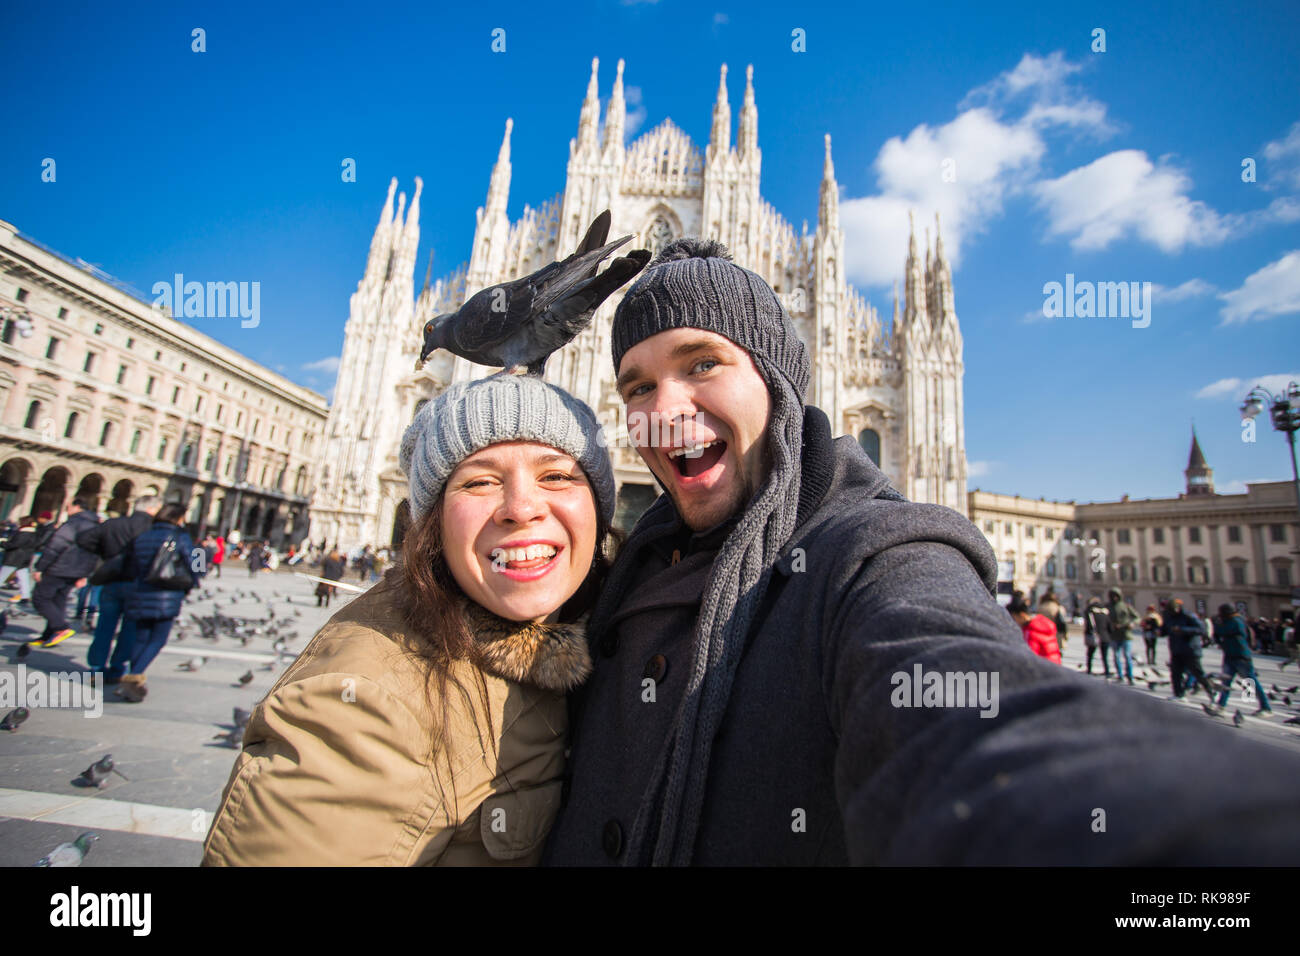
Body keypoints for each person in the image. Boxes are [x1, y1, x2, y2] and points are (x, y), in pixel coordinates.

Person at [542, 237, 1300, 866]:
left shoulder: (871, 553)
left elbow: (957, 689)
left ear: (777, 382)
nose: (663, 410)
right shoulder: (611, 576)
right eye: (636, 386)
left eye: (703, 363)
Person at [203, 372, 616, 865]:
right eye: (480, 480)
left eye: (557, 475)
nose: (521, 507)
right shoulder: (361, 707)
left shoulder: (597, 640)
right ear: (433, 523)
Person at [116, 503, 201, 702]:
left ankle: (134, 676)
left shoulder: (143, 537)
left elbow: (131, 565)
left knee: (141, 638)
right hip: (167, 594)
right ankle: (134, 675)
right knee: (158, 638)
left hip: (140, 591)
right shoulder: (181, 537)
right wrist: (199, 552)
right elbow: (197, 565)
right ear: (178, 518)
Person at [76, 495, 162, 683]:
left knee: (104, 626)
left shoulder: (113, 524)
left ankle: (96, 667)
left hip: (111, 581)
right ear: (152, 509)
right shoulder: (154, 529)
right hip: (139, 584)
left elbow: (84, 539)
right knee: (130, 628)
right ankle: (118, 667)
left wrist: (106, 555)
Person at [29, 498, 101, 648]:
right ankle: (49, 635)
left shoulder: (73, 523)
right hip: (77, 569)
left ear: (77, 507)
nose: (67, 509)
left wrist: (40, 567)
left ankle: (61, 627)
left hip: (59, 566)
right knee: (58, 600)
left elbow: (56, 546)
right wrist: (85, 573)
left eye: (69, 506)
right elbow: (95, 552)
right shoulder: (95, 526)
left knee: (40, 598)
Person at [1205, 604, 1271, 718]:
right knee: (1226, 682)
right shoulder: (1231, 620)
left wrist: (1216, 624)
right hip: (1230, 656)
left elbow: (1223, 631)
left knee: (1251, 681)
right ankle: (1221, 706)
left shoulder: (1236, 621)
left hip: (1241, 657)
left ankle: (1266, 708)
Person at [1161, 598, 1217, 701]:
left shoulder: (1188, 616)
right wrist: (1159, 632)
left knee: (1197, 672)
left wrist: (1182, 630)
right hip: (1176, 648)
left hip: (1190, 649)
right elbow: (1165, 630)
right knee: (1175, 673)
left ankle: (1210, 690)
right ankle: (1179, 694)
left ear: (1178, 608)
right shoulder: (1168, 617)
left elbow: (1201, 629)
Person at [1009, 597, 1061, 663]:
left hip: (1042, 669)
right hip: (1054, 667)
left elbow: (1029, 658)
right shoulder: (1042, 623)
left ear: (1022, 615)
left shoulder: (1031, 631)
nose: (1014, 622)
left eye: (1014, 618)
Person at [0, 516, 39, 605]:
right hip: (25, 558)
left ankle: (25, 596)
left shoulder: (24, 533)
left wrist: (3, 543)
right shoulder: (33, 533)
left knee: (2, 576)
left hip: (14, 558)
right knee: (23, 578)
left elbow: (14, 544)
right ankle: (25, 596)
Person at [1106, 586, 1139, 685]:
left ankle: (1130, 676)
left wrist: (1132, 623)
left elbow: (1137, 617)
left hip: (1126, 634)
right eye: (1112, 596)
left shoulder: (1125, 606)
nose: (1114, 598)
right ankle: (1120, 675)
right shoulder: (1108, 607)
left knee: (1127, 656)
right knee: (1116, 656)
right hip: (1114, 635)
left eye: (1116, 595)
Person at [1083, 597, 1111, 676]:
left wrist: (1087, 634)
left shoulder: (1090, 612)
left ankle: (1089, 670)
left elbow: (1088, 625)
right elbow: (1109, 626)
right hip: (1105, 636)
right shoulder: (1105, 612)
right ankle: (1107, 671)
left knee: (1090, 655)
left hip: (1094, 636)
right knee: (1105, 656)